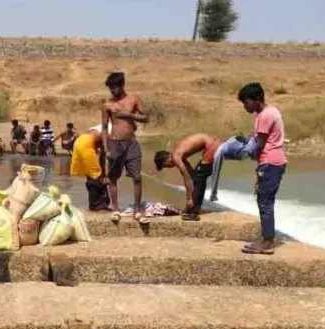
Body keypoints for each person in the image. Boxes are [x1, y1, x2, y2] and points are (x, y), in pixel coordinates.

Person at [154, 134, 257, 220]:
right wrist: (195, 178)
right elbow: (191, 173)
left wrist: (189, 198)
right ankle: (195, 208)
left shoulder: (176, 157)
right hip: (212, 145)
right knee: (199, 176)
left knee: (200, 177)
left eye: (165, 166)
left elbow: (187, 178)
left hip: (212, 147)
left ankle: (193, 212)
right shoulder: (179, 153)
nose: (169, 167)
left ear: (166, 160)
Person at [238, 82, 287, 255]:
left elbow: (259, 144)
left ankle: (267, 242)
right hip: (277, 161)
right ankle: (266, 237)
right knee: (266, 200)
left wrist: (247, 151)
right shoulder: (273, 111)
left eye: (246, 102)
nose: (245, 106)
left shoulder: (264, 117)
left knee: (264, 202)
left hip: (269, 162)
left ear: (257, 99)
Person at [101, 72, 149, 224]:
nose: (112, 91)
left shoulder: (133, 99)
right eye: (110, 89)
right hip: (115, 143)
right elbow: (103, 127)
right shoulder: (107, 105)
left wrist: (129, 115)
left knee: (137, 177)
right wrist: (106, 148)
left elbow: (146, 117)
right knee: (113, 178)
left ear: (122, 85)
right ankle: (116, 209)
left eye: (114, 88)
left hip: (131, 143)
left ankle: (137, 211)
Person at [70, 125, 110, 211]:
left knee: (91, 173)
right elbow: (102, 157)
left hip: (80, 141)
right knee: (95, 174)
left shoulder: (101, 127)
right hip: (86, 144)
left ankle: (95, 203)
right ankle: (96, 205)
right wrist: (104, 174)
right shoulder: (110, 131)